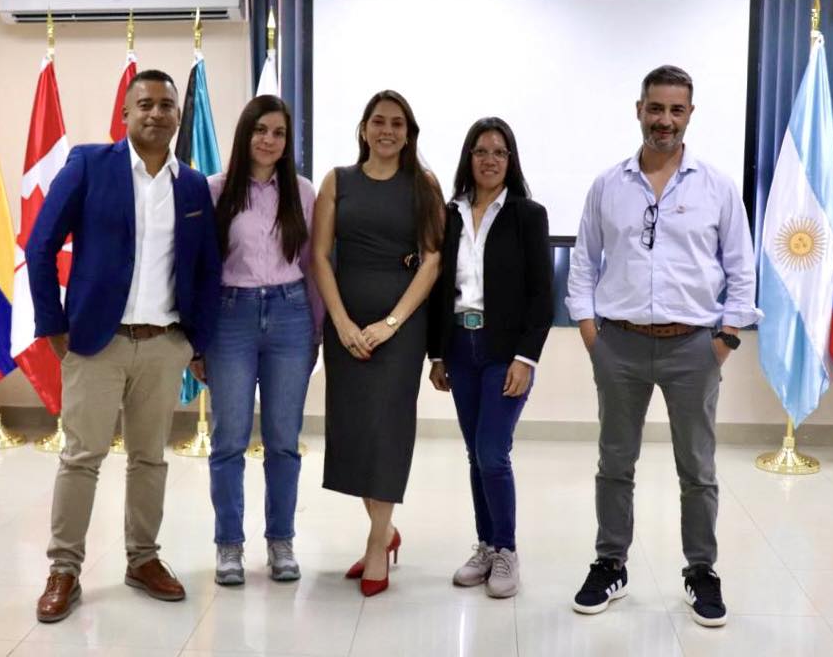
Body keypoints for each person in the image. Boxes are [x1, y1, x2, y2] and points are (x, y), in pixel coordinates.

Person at [566, 65, 760, 627]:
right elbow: (583, 264)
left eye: (676, 110)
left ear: (690, 115)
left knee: (697, 468)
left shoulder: (717, 187)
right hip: (619, 346)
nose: (665, 120)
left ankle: (701, 571)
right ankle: (610, 564)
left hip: (694, 349)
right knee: (614, 462)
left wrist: (724, 340)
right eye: (656, 108)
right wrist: (592, 337)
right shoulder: (608, 185)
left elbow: (741, 270)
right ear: (639, 110)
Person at [27, 69, 222, 622]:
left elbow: (206, 269)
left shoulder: (192, 186)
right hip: (97, 343)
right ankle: (64, 569)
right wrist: (55, 327)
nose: (157, 113)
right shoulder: (90, 165)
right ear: (126, 113)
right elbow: (41, 246)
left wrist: (195, 343)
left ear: (178, 116)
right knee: (81, 458)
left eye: (166, 105)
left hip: (164, 345)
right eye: (146, 104)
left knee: (149, 458)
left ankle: (143, 559)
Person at [312, 89, 445, 597]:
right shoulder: (337, 181)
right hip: (345, 328)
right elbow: (320, 257)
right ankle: (386, 532)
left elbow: (432, 260)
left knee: (387, 430)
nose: (387, 131)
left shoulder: (423, 185)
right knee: (354, 432)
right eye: (379, 121)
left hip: (401, 329)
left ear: (408, 134)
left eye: (397, 123)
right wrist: (342, 323)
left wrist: (391, 323)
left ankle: (375, 544)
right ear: (364, 129)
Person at [427, 117, 553, 598]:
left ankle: (507, 551)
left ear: (510, 160)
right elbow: (440, 290)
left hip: (506, 352)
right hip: (461, 347)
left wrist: (526, 358)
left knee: (492, 452)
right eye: (481, 151)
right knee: (474, 454)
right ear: (469, 157)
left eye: (499, 152)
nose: (490, 160)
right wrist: (437, 354)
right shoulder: (450, 214)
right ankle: (485, 546)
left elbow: (542, 295)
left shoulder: (528, 215)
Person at [204, 95, 322, 585]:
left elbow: (313, 264)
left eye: (278, 133)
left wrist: (316, 331)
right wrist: (197, 341)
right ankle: (229, 546)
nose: (269, 140)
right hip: (230, 316)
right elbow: (200, 267)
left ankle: (281, 542)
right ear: (245, 133)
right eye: (260, 130)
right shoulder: (214, 190)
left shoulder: (303, 192)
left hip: (291, 316)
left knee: (283, 442)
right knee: (229, 440)